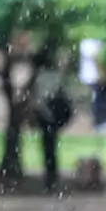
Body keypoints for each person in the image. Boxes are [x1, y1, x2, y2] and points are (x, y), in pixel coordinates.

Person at [31, 50, 72, 193]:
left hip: (47, 116)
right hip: (55, 116)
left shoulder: (41, 77)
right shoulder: (55, 76)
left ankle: (50, 179)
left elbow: (40, 100)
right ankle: (52, 178)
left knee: (48, 149)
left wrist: (43, 114)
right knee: (51, 148)